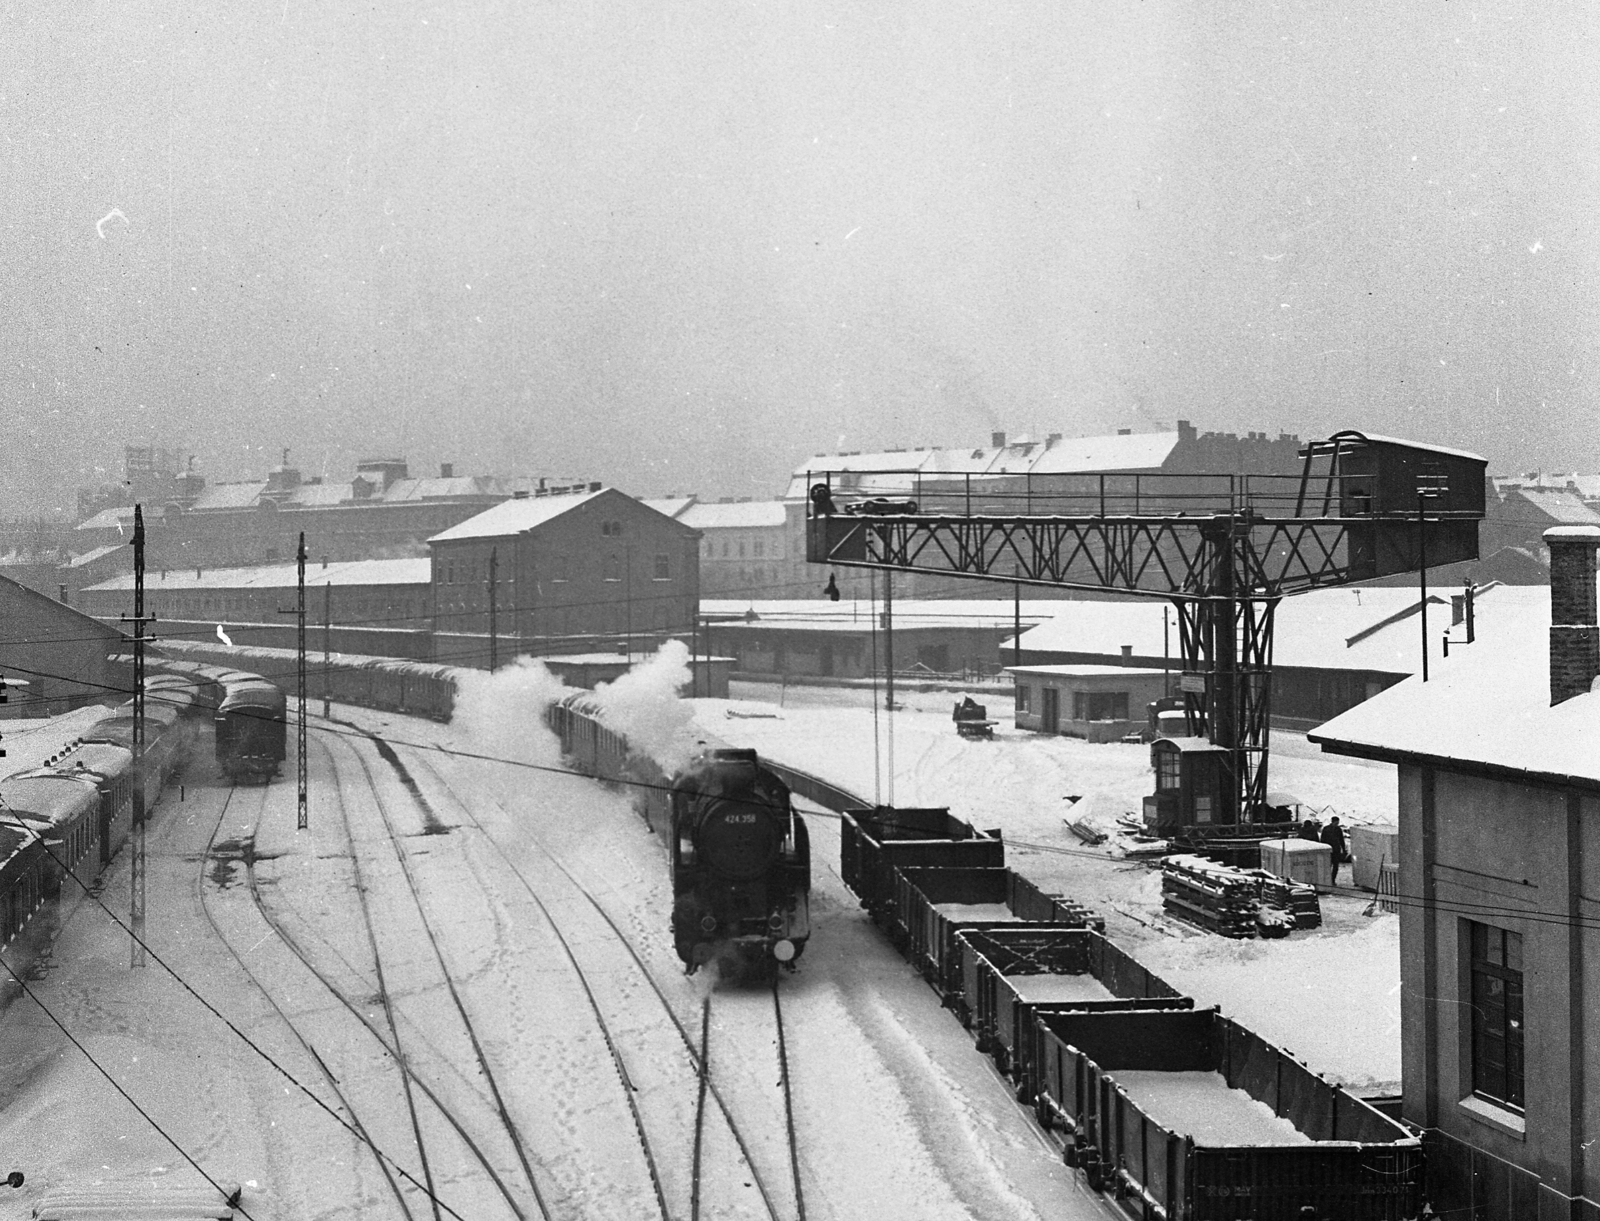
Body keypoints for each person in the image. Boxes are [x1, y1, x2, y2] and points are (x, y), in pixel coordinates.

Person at [1321, 816, 1348, 886]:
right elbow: (1322, 840)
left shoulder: (1337, 829)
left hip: (1334, 850)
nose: (1337, 824)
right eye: (1336, 822)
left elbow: (1341, 840)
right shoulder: (1328, 829)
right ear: (1333, 821)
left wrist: (1344, 849)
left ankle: (1332, 879)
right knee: (1328, 865)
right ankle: (1329, 879)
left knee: (1334, 866)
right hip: (1330, 850)